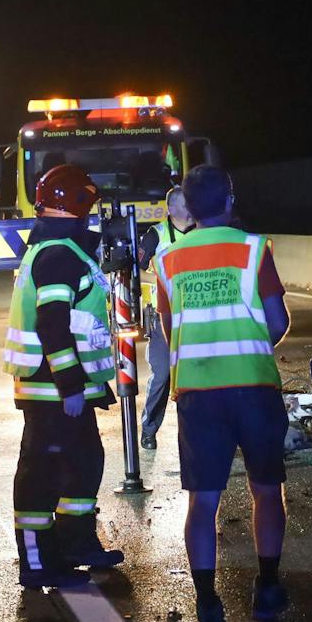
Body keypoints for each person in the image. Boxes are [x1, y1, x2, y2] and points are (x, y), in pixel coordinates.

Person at [154, 165, 291, 622]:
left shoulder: (167, 261)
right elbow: (276, 322)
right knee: (266, 489)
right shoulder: (254, 249)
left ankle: (208, 605)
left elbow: (172, 333)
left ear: (187, 208)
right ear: (230, 200)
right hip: (253, 386)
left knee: (202, 501)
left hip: (197, 393)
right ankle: (267, 589)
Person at [3, 164, 125, 587]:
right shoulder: (58, 254)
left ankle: (75, 545)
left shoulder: (59, 249)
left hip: (59, 388)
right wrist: (70, 386)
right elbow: (52, 323)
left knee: (83, 464)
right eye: (88, 203)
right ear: (77, 203)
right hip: (52, 390)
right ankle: (37, 565)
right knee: (42, 477)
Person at [138, 186, 194, 450]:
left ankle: (196, 432)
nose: (192, 208)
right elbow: (137, 273)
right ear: (171, 209)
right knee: (162, 374)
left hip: (195, 313)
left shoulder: (202, 232)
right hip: (162, 314)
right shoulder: (154, 236)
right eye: (186, 204)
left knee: (194, 376)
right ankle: (148, 429)